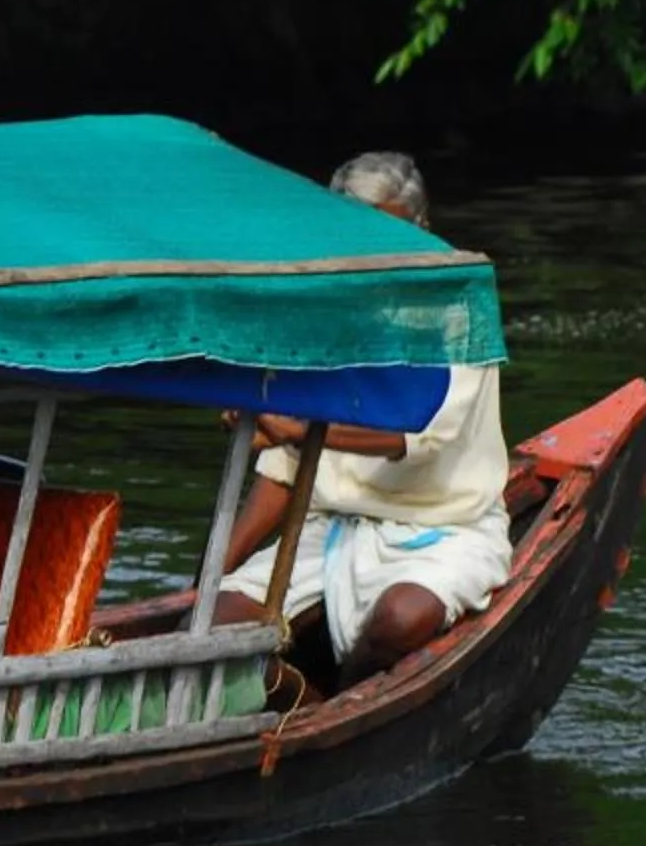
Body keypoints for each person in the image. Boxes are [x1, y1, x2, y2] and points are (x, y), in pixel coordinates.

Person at [213, 151, 510, 687]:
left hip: (442, 529)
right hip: (330, 529)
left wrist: (297, 427)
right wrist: (213, 573)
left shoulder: (458, 305)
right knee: (215, 626)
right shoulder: (323, 303)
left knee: (401, 619)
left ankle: (344, 698)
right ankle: (302, 704)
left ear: (419, 229)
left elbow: (416, 434)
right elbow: (285, 467)